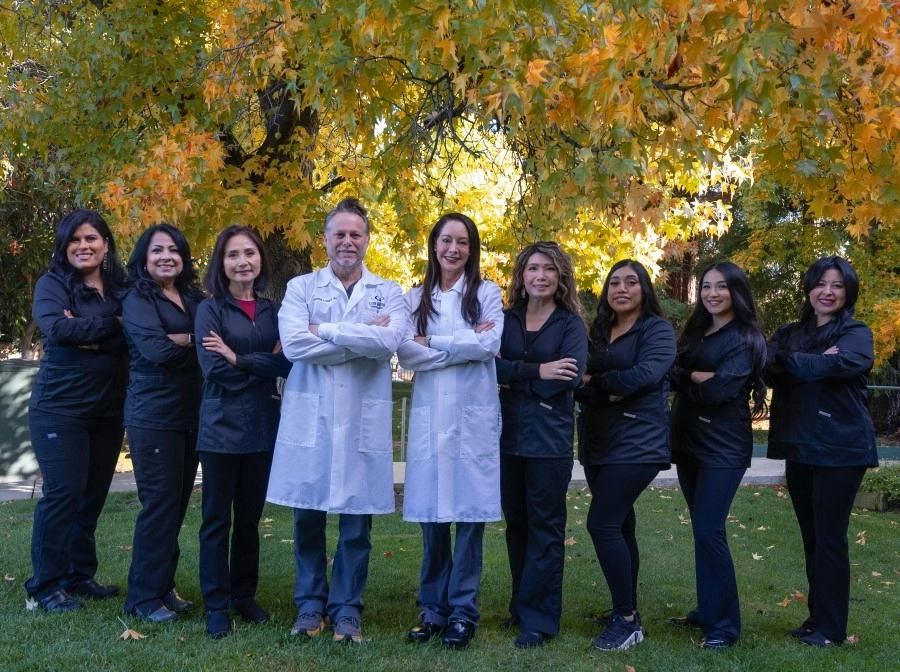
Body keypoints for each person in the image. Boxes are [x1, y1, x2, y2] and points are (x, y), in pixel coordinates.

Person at [266, 197, 406, 644]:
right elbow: (293, 347)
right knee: (307, 519)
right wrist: (364, 339)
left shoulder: (388, 291)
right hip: (313, 417)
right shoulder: (300, 288)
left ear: (366, 240)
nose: (348, 241)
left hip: (361, 418)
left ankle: (347, 609)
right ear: (325, 239)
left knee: (355, 524)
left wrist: (322, 330)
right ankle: (310, 606)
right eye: (339, 234)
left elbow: (391, 342)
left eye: (356, 234)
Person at [398, 213, 504, 650]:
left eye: (462, 242)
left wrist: (432, 344)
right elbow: (405, 353)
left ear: (472, 248)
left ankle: (462, 612)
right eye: (446, 240)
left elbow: (489, 345)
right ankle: (432, 609)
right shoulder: (414, 297)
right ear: (434, 245)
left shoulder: (487, 293)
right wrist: (459, 344)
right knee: (432, 521)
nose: (453, 249)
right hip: (429, 421)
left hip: (471, 422)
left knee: (469, 520)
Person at [765, 255, 878, 647]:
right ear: (809, 287)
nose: (827, 292)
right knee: (812, 537)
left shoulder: (857, 332)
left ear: (848, 293)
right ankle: (817, 619)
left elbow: (847, 364)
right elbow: (767, 367)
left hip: (842, 446)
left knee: (830, 538)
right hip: (800, 443)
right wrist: (815, 362)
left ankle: (831, 629)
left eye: (837, 286)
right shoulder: (789, 331)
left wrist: (799, 364)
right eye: (820, 284)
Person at [25, 209, 128, 611]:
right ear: (64, 247)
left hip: (108, 409)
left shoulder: (122, 287)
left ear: (105, 245)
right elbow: (60, 330)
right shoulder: (53, 284)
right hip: (59, 410)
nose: (83, 246)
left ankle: (78, 575)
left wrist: (97, 335)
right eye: (74, 240)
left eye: (91, 239)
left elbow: (137, 331)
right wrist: (115, 327)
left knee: (91, 497)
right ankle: (45, 586)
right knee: (63, 495)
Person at [194, 226, 292, 638]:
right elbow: (213, 367)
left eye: (250, 253)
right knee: (217, 519)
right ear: (222, 263)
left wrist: (239, 358)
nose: (243, 261)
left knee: (249, 519)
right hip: (221, 428)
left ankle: (243, 595)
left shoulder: (273, 311)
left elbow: (288, 362)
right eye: (233, 255)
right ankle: (216, 604)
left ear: (260, 261)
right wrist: (256, 363)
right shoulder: (210, 310)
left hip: (263, 429)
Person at [575, 259, 675, 651]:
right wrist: (606, 387)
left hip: (639, 441)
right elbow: (577, 382)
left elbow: (645, 376)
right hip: (598, 440)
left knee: (601, 524)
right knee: (621, 526)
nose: (621, 288)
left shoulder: (658, 330)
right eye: (614, 282)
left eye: (631, 282)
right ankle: (626, 607)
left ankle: (627, 620)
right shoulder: (598, 333)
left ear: (644, 289)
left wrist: (598, 382)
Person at [666, 262, 767, 649]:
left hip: (723, 447)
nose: (712, 293)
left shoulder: (745, 336)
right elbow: (672, 372)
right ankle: (708, 611)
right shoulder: (696, 332)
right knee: (703, 530)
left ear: (736, 291)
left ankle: (723, 627)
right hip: (689, 440)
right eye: (706, 286)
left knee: (710, 530)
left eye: (721, 287)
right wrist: (697, 376)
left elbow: (721, 392)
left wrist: (692, 377)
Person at [495, 241, 587, 648]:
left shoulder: (570, 324)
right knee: (517, 525)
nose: (540, 276)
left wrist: (517, 377)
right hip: (507, 437)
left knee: (546, 528)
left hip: (549, 441)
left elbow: (568, 377)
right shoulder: (505, 318)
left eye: (549, 269)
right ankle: (520, 605)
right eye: (533, 268)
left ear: (560, 276)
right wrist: (537, 371)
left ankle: (540, 618)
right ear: (522, 274)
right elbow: (491, 365)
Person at [122, 223, 204, 623]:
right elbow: (155, 351)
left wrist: (183, 337)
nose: (166, 256)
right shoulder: (137, 298)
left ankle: (163, 586)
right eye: (157, 250)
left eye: (174, 249)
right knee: (159, 505)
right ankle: (142, 598)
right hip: (153, 416)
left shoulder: (191, 297)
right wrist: (195, 340)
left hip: (191, 414)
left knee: (176, 506)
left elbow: (216, 338)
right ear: (144, 257)